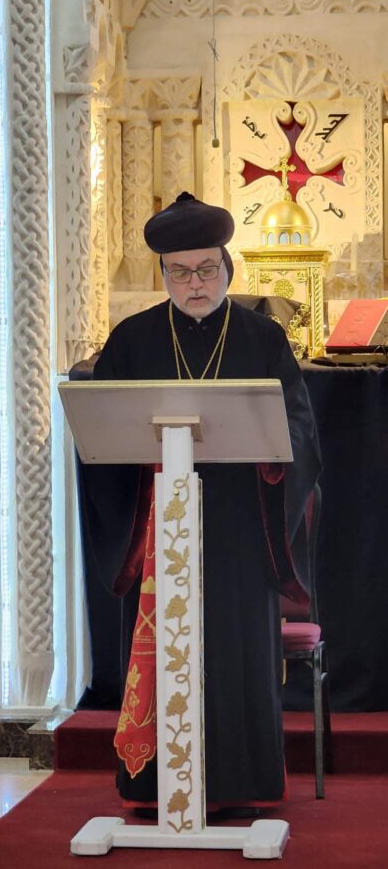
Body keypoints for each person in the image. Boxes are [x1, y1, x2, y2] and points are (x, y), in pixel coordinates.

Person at [82, 191, 321, 811]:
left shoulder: (262, 337)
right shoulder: (132, 339)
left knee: (235, 651)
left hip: (241, 525)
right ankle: (155, 786)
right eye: (180, 272)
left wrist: (273, 462)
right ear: (164, 274)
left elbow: (299, 428)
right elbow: (101, 433)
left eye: (207, 269)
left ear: (227, 268)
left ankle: (240, 786)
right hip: (159, 526)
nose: (195, 283)